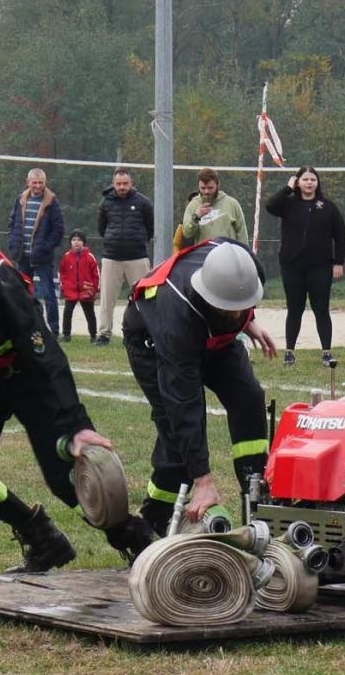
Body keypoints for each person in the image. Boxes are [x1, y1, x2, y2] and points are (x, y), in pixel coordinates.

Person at [0, 200, 153, 570]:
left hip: (29, 376)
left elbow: (48, 361)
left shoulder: (5, 289)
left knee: (68, 482)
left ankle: (139, 543)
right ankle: (40, 537)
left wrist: (78, 426)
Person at [123, 238, 278, 533]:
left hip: (214, 339)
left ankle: (254, 492)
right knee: (175, 428)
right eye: (231, 309)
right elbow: (184, 403)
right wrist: (203, 480)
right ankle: (155, 516)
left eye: (242, 307)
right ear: (209, 295)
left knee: (249, 397)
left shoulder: (245, 266)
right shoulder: (175, 315)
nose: (236, 314)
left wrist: (249, 321)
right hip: (152, 343)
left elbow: (238, 299)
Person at [265, 165, 345, 368]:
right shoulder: (288, 203)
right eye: (305, 179)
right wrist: (287, 188)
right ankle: (290, 352)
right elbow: (270, 206)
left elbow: (341, 235)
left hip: (320, 267)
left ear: (317, 183)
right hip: (292, 266)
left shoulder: (327, 206)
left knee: (321, 308)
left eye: (313, 179)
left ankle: (326, 352)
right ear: (298, 182)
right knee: (295, 309)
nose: (309, 183)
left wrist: (338, 262)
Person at [94, 167, 155, 345]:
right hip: (111, 257)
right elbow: (102, 228)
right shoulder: (105, 203)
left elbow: (150, 228)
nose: (122, 187)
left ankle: (145, 333)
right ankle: (104, 334)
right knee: (107, 299)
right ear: (113, 184)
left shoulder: (144, 203)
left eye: (125, 183)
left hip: (137, 257)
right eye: (118, 184)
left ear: (131, 183)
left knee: (144, 298)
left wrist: (138, 241)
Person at [6, 168, 64, 333]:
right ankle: (24, 326)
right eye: (35, 182)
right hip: (22, 256)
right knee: (22, 293)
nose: (38, 186)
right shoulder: (20, 199)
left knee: (49, 295)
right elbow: (12, 223)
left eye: (41, 182)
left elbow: (58, 230)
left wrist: (45, 248)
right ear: (28, 182)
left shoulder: (52, 201)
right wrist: (13, 243)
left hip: (42, 257)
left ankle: (53, 329)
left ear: (45, 183)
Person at [180, 168, 248, 245]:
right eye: (203, 188)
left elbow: (242, 235)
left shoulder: (232, 204)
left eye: (210, 188)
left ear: (218, 185)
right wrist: (196, 217)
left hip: (227, 255)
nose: (206, 191)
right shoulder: (193, 205)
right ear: (198, 186)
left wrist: (244, 254)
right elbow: (187, 233)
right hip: (203, 255)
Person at [57, 229, 100, 341]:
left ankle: (93, 336)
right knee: (67, 313)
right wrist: (63, 287)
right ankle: (66, 335)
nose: (76, 242)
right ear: (70, 242)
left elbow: (96, 274)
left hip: (86, 291)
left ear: (83, 242)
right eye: (74, 240)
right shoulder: (66, 257)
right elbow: (61, 273)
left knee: (90, 314)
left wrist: (95, 289)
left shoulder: (90, 257)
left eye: (79, 240)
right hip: (71, 290)